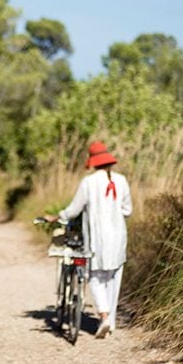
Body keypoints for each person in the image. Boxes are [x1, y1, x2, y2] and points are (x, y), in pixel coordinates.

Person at [46, 141, 132, 339]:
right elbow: (128, 210)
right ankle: (109, 322)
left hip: (97, 237)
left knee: (94, 275)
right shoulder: (122, 180)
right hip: (118, 236)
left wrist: (58, 216)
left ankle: (103, 316)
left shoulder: (89, 183)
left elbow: (73, 210)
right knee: (113, 277)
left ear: (93, 162)